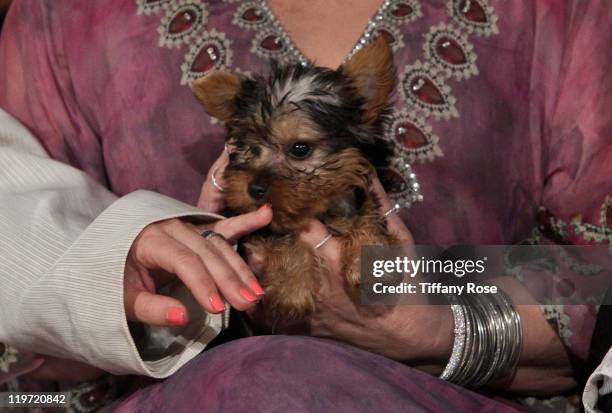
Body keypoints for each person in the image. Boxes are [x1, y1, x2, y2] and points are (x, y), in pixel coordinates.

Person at [0, 0, 610, 411]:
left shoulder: (559, 14)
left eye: (296, 150)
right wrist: (117, 278)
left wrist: (437, 329)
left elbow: (597, 278)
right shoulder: (68, 14)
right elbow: (18, 254)